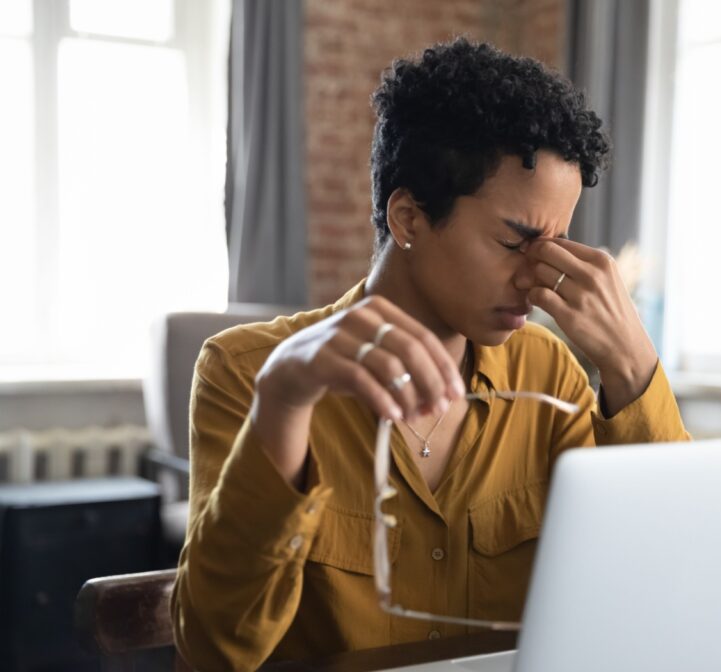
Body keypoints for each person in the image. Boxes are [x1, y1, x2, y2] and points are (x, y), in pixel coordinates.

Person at [172, 38, 689, 670]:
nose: (538, 277)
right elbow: (213, 650)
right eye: (515, 240)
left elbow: (669, 586)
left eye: (558, 243)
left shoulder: (547, 372)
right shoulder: (247, 370)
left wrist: (634, 363)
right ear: (410, 219)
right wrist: (284, 403)